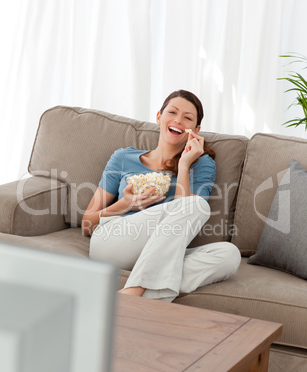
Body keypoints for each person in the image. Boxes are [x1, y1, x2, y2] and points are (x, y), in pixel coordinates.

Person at [82, 89, 241, 302]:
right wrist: (125, 204)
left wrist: (184, 165)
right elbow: (87, 223)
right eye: (172, 112)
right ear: (159, 117)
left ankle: (146, 290)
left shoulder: (201, 164)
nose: (178, 120)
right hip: (112, 242)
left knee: (229, 255)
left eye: (187, 118)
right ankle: (135, 292)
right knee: (198, 205)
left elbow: (185, 218)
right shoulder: (123, 157)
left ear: (196, 129)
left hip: (159, 253)